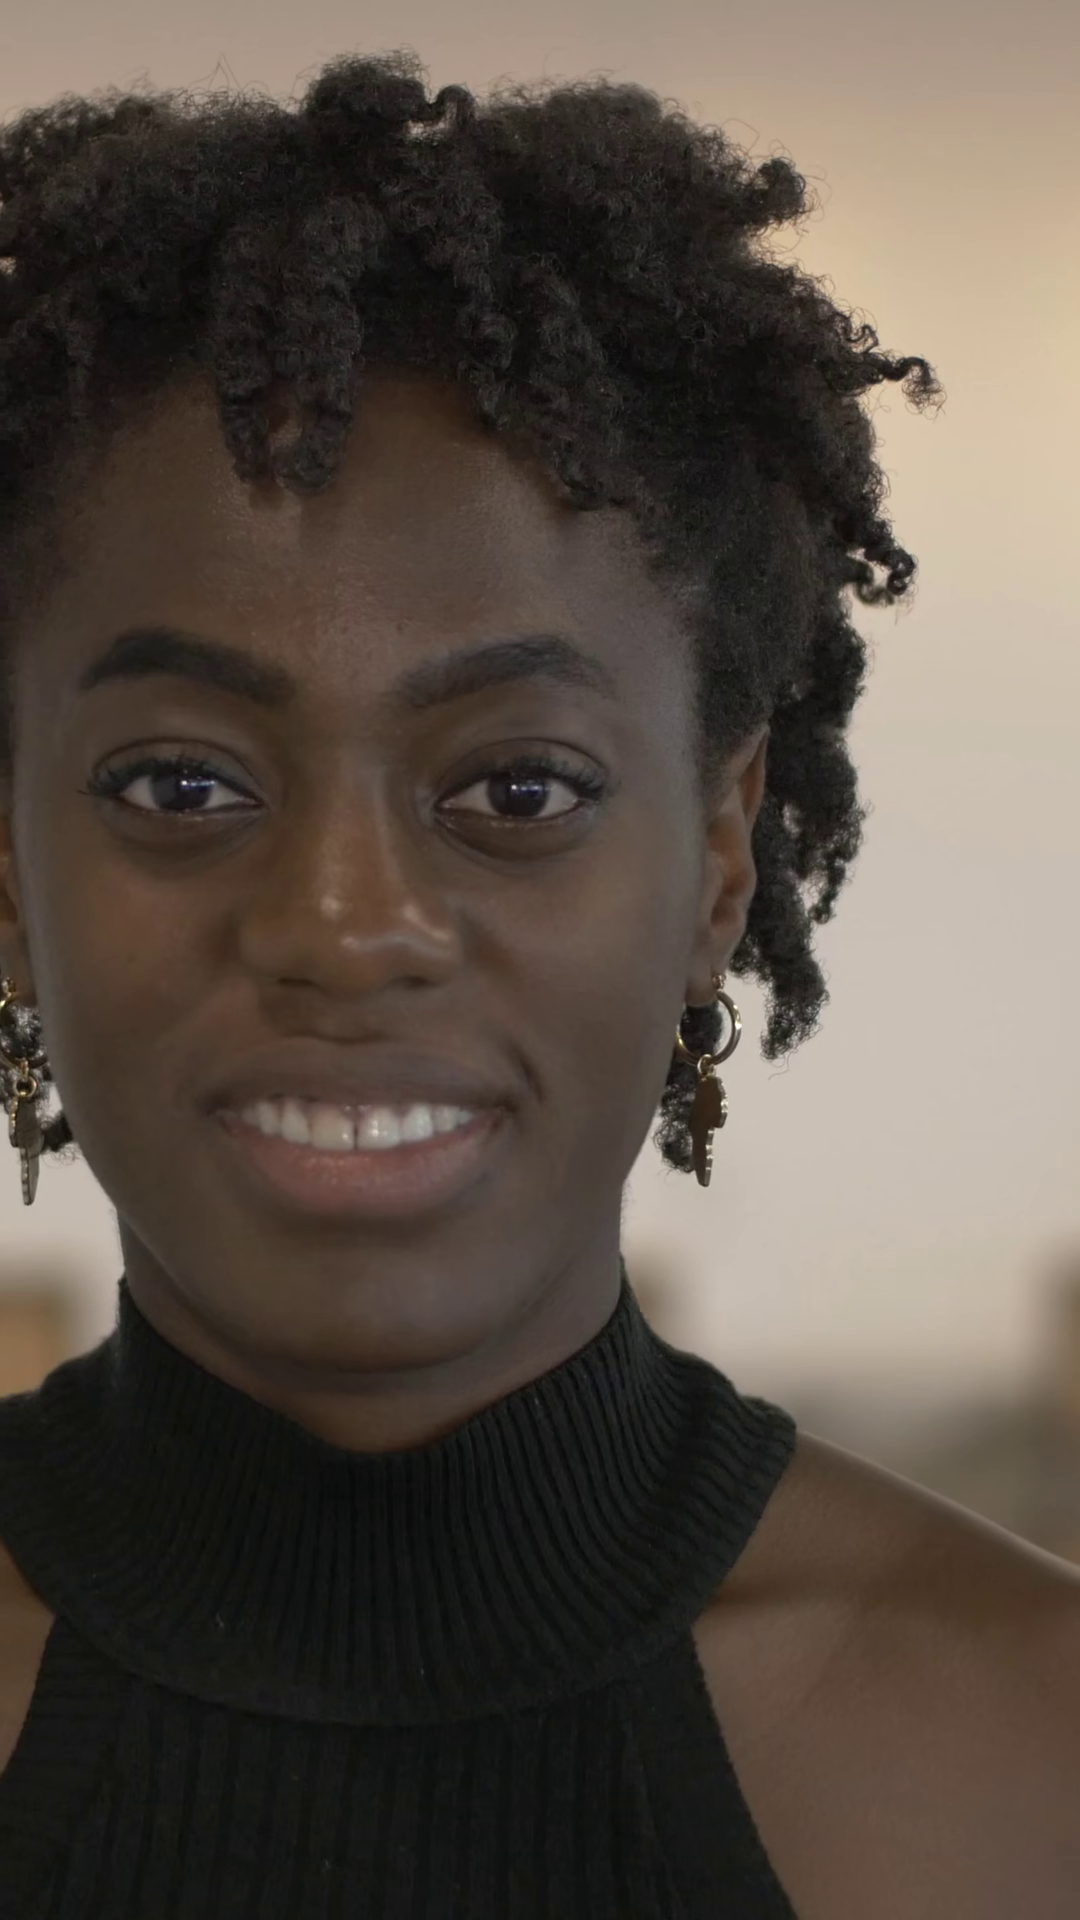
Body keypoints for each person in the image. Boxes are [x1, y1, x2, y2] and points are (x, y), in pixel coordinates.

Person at [0, 48, 1076, 1920]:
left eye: (517, 793)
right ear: (9, 866)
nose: (345, 925)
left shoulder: (1032, 1765)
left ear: (720, 858)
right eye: (181, 787)